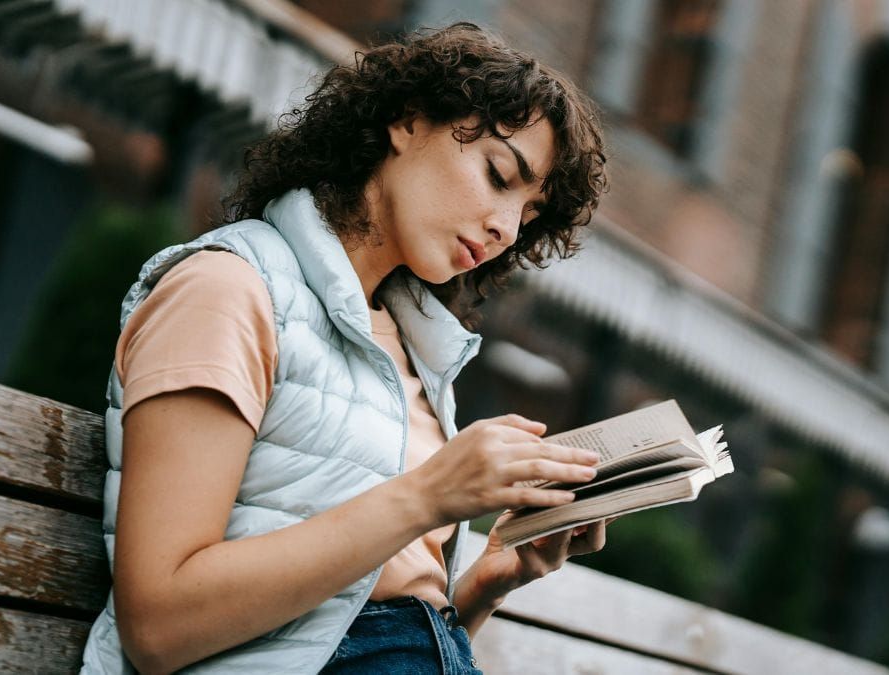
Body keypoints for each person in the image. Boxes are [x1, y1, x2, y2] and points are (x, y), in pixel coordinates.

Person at [79, 22, 609, 674]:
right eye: (500, 175)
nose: (504, 228)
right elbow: (157, 625)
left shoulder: (411, 348)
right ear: (406, 122)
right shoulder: (228, 289)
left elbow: (375, 630)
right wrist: (425, 497)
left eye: (528, 217)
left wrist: (482, 583)